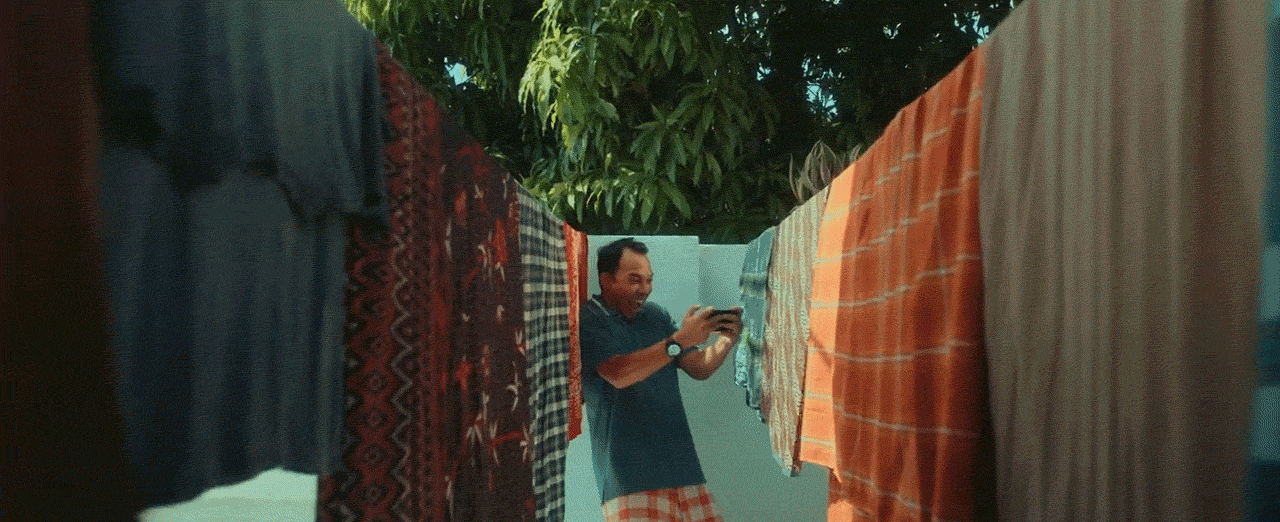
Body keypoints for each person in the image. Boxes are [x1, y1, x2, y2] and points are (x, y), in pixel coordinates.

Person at [580, 237, 744, 522]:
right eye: (634, 280)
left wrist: (726, 340)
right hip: (630, 479)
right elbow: (619, 374)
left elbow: (699, 367)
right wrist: (678, 341)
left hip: (684, 471)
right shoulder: (591, 317)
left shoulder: (655, 316)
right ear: (606, 280)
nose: (644, 289)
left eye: (649, 280)